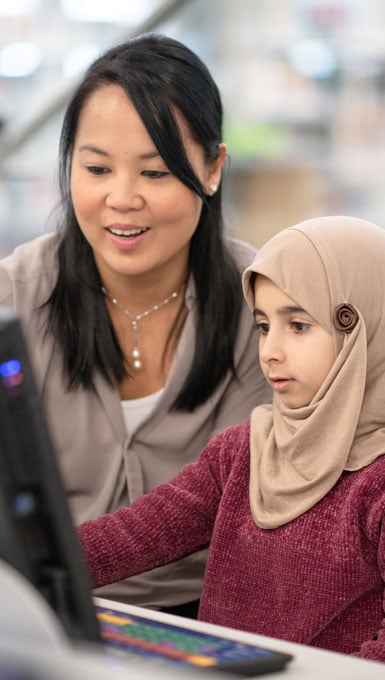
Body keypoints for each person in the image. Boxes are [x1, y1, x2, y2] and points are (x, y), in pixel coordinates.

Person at [0, 33, 270, 616]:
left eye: (154, 173)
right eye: (96, 167)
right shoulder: (13, 295)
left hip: (214, 617)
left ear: (213, 169)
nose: (121, 198)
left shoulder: (265, 304)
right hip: (42, 606)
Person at [78, 215, 385, 663]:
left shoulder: (377, 482)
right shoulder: (242, 451)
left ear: (360, 331)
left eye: (297, 325)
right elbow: (138, 533)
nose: (270, 350)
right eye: (264, 325)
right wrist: (34, 562)